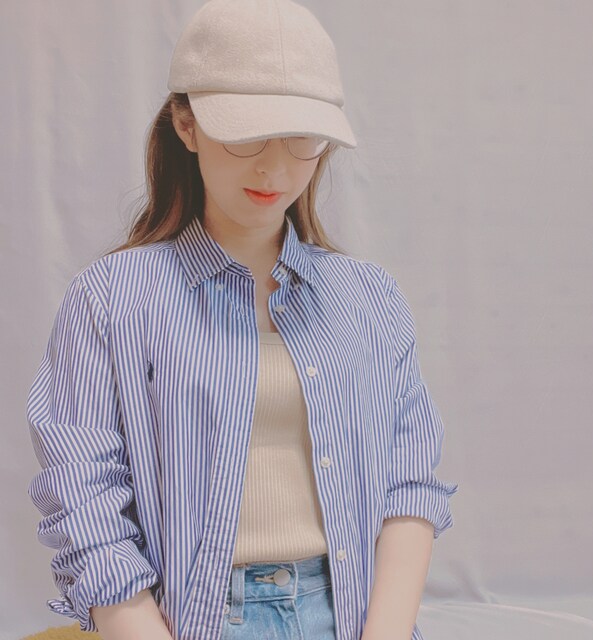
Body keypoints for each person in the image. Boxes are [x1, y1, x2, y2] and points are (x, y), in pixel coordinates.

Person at [25, 1, 459, 639]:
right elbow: (82, 499)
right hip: (192, 621)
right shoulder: (111, 299)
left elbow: (410, 481)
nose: (275, 168)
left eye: (302, 138)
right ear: (186, 124)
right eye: (246, 135)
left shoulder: (369, 297)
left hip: (351, 617)